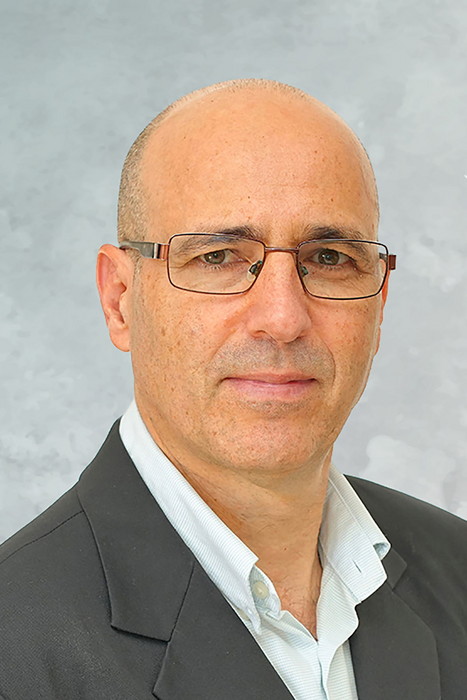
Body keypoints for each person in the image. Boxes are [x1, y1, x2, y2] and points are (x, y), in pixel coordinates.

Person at [0, 79, 466, 700]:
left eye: (329, 258)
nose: (283, 318)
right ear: (120, 299)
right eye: (218, 257)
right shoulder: (14, 646)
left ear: (378, 305)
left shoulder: (458, 573)